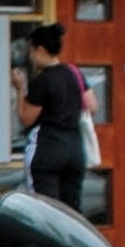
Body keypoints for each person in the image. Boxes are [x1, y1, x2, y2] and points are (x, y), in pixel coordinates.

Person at [15, 24, 89, 210]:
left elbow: (26, 118)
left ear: (40, 49)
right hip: (75, 148)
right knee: (72, 212)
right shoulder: (74, 73)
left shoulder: (43, 81)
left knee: (45, 211)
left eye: (31, 51)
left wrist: (20, 88)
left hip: (47, 148)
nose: (30, 57)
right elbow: (93, 105)